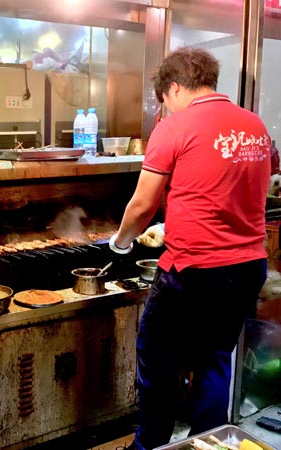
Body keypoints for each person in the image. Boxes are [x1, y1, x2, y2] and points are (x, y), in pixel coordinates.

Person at [109, 47, 271, 450]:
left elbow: (143, 204)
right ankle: (204, 443)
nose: (165, 108)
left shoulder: (174, 127)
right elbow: (242, 190)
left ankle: (150, 445)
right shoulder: (255, 126)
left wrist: (121, 242)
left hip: (193, 271)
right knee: (215, 359)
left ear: (175, 87)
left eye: (165, 99)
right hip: (248, 265)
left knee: (158, 358)